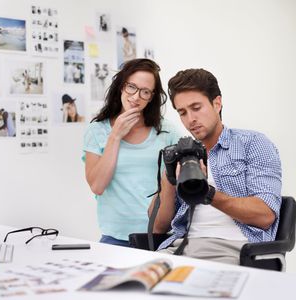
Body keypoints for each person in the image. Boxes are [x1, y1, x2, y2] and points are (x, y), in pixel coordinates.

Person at [150, 68, 282, 265]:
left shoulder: (254, 143)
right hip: (180, 248)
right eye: (182, 113)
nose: (190, 119)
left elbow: (265, 215)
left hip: (235, 249)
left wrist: (206, 193)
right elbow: (157, 227)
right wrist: (169, 178)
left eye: (196, 108)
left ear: (217, 103)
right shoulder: (183, 154)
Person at [83, 58, 182, 247]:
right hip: (115, 238)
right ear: (121, 86)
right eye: (131, 87)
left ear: (152, 96)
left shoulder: (167, 132)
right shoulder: (97, 130)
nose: (136, 97)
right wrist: (115, 136)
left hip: (161, 236)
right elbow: (97, 186)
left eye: (145, 92)